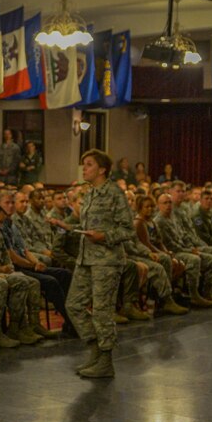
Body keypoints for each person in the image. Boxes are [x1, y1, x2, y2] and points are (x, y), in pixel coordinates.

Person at [59, 149, 130, 380]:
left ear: (102, 169)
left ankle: (106, 360)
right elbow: (86, 223)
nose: (85, 169)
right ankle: (95, 349)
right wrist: (67, 226)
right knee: (73, 305)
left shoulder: (114, 193)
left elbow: (127, 229)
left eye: (89, 164)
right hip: (86, 258)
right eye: (84, 165)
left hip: (107, 261)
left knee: (101, 312)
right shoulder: (88, 195)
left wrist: (104, 236)